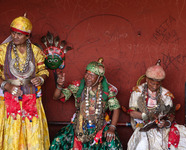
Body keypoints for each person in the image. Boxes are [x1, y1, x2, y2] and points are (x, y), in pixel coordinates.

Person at [0, 14, 50, 149]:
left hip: (31, 97)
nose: (15, 36)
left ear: (27, 36)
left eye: (19, 34)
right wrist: (7, 85)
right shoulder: (2, 50)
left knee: (32, 129)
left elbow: (43, 71)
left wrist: (40, 79)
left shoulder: (36, 51)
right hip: (9, 98)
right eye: (13, 33)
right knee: (12, 130)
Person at [50, 58, 123, 150]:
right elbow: (57, 97)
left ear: (100, 79)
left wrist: (112, 128)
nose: (88, 77)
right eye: (87, 74)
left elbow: (116, 108)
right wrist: (60, 85)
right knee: (58, 141)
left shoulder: (107, 90)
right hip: (78, 125)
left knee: (114, 146)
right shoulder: (77, 86)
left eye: (92, 75)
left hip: (99, 126)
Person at [127, 60, 186, 150]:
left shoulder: (166, 94)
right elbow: (132, 113)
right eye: (152, 83)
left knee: (183, 140)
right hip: (143, 127)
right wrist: (148, 116)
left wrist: (165, 122)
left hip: (162, 128)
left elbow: (171, 116)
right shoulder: (137, 92)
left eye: (158, 84)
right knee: (143, 144)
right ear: (147, 79)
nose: (155, 87)